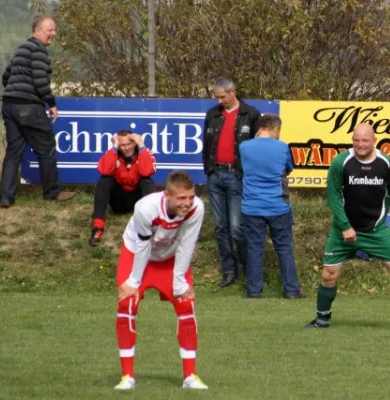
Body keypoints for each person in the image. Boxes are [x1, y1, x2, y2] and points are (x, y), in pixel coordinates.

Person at [304, 123, 390, 331]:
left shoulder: (386, 163)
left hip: (377, 229)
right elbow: (332, 197)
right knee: (329, 273)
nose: (360, 144)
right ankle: (321, 321)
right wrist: (345, 226)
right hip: (344, 230)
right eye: (356, 140)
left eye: (365, 140)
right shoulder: (341, 162)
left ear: (374, 140)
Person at [114, 171, 208, 390]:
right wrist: (134, 282)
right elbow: (142, 246)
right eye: (181, 198)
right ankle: (127, 376)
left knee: (186, 304)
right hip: (138, 255)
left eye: (190, 197)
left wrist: (179, 284)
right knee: (127, 302)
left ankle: (190, 376)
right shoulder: (145, 208)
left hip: (171, 257)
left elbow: (187, 244)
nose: (187, 203)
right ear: (167, 195)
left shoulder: (197, 208)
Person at [0, 15, 75, 208]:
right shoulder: (39, 50)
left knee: (13, 152)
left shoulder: (21, 49)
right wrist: (51, 103)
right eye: (50, 30)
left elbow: (6, 76)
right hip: (29, 106)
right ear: (37, 31)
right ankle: (52, 193)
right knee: (46, 147)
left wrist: (15, 92)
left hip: (9, 104)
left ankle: (6, 197)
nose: (53, 34)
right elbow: (41, 81)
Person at [202, 77, 261, 288]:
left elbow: (257, 147)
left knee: (237, 227)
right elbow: (206, 145)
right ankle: (229, 271)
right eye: (216, 97)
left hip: (237, 176)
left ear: (232, 91)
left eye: (222, 96)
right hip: (215, 174)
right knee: (220, 226)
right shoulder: (212, 114)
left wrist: (248, 174)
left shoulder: (251, 114)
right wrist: (208, 169)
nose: (219, 101)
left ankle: (248, 269)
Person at [239, 114, 304, 299]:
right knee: (284, 248)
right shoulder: (282, 147)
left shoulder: (244, 147)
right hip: (278, 205)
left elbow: (243, 168)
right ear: (275, 128)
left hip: (251, 206)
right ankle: (291, 290)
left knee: (254, 249)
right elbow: (288, 169)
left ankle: (254, 291)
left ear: (260, 127)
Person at [89, 130, 156, 246]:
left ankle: (149, 224)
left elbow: (145, 172)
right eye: (122, 145)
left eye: (129, 144)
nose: (126, 148)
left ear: (134, 143)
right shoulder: (113, 153)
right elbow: (104, 170)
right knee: (105, 180)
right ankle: (98, 226)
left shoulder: (145, 153)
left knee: (147, 181)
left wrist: (141, 145)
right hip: (119, 202)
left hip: (138, 203)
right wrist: (114, 147)